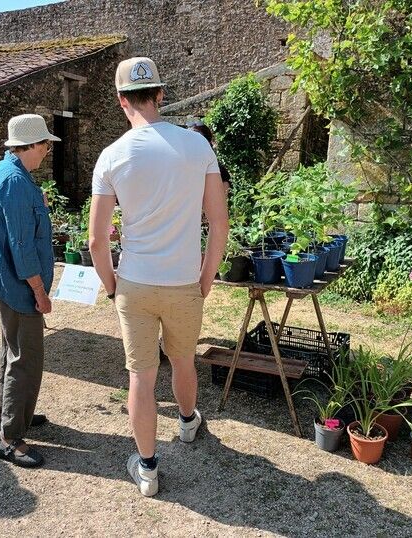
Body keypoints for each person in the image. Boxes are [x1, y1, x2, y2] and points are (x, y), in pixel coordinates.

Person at [89, 57, 229, 496]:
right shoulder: (197, 146)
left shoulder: (111, 156)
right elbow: (219, 224)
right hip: (184, 281)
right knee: (184, 360)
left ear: (120, 100)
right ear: (160, 95)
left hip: (135, 282)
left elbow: (96, 241)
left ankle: (147, 468)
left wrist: (113, 286)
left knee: (141, 377)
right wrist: (206, 278)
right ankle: (188, 423)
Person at [0, 114, 60, 468]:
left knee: (13, 351)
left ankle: (13, 417)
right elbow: (21, 247)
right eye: (44, 144)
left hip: (8, 282)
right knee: (25, 358)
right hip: (18, 286)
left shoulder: (9, 173)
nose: (47, 150)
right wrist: (39, 292)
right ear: (29, 145)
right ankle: (10, 439)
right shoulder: (14, 180)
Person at [186, 119, 231, 194]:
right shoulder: (179, 168)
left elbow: (224, 198)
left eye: (196, 139)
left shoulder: (219, 170)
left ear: (208, 143)